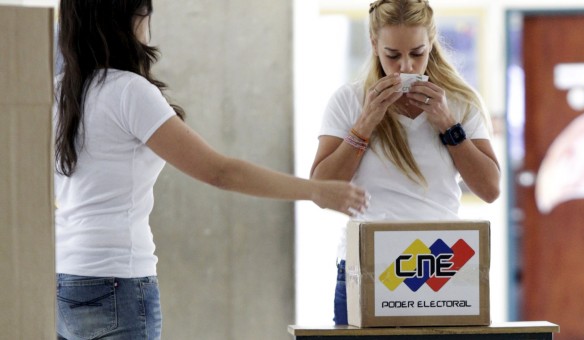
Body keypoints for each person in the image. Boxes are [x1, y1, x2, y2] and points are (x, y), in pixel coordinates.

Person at [53, 1, 368, 339]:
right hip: (118, 281)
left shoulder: (59, 91)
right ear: (129, 20)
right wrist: (315, 190)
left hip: (62, 280)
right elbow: (220, 172)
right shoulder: (129, 92)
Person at [309, 0, 501, 325]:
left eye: (417, 52)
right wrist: (366, 122)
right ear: (374, 45)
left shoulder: (460, 102)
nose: (406, 68)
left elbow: (490, 189)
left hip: (440, 261)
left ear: (432, 42)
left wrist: (447, 125)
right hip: (368, 264)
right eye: (392, 56)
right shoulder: (348, 101)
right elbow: (320, 191)